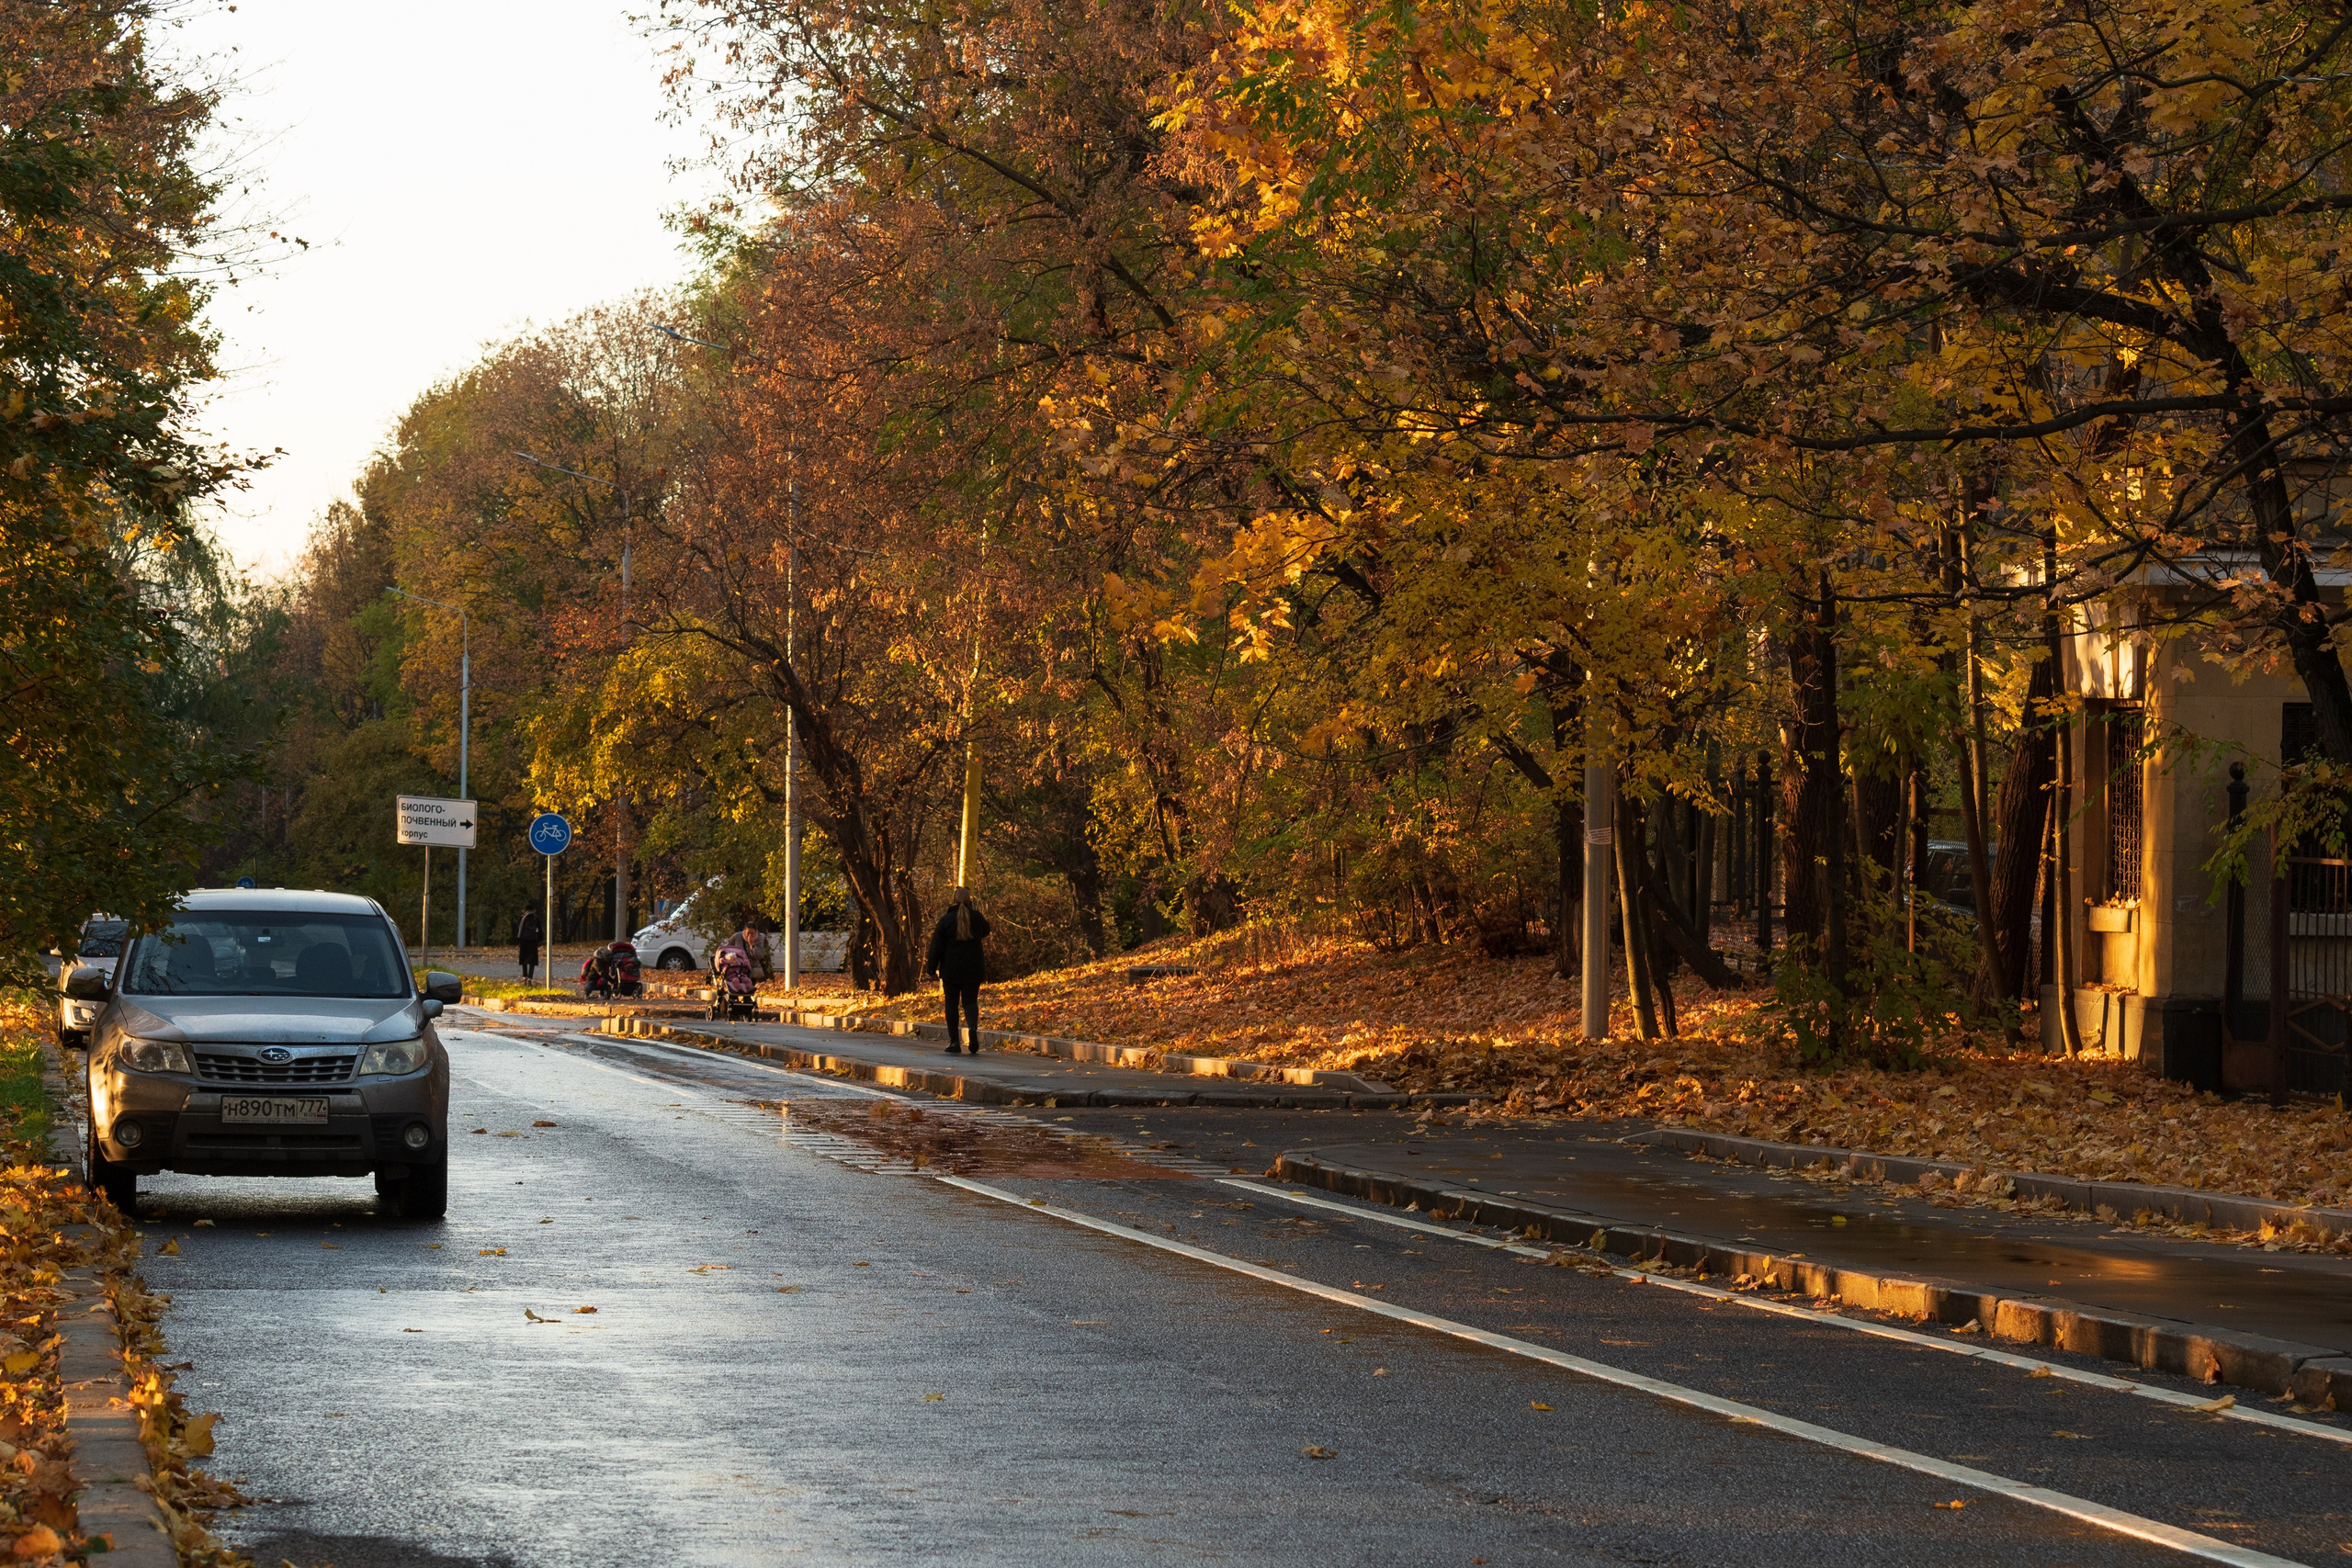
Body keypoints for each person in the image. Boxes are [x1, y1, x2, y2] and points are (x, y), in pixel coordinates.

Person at [922, 886, 991, 1055]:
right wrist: (972, 912)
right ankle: (973, 1029)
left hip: (951, 969)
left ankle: (954, 1042)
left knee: (951, 1004)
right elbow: (986, 930)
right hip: (973, 968)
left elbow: (936, 945)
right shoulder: (976, 918)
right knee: (970, 1001)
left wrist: (931, 968)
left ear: (953, 900)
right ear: (969, 901)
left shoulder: (946, 920)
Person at [516, 908, 543, 983]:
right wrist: (539, 941)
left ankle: (524, 976)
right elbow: (540, 930)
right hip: (533, 941)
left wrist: (518, 940)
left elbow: (518, 929)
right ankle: (530, 978)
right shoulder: (536, 918)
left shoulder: (522, 918)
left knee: (524, 959)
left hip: (524, 941)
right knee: (532, 961)